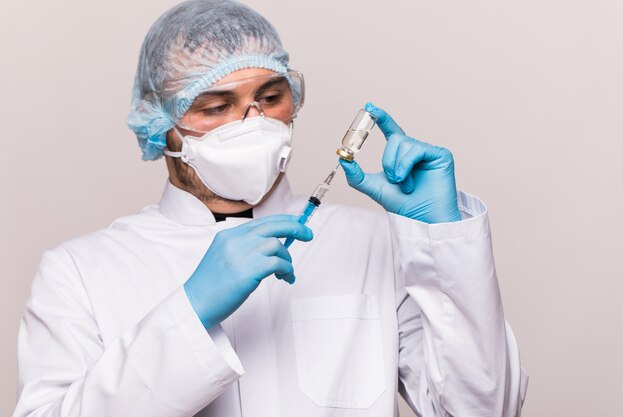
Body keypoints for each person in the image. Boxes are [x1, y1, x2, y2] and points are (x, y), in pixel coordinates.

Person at [12, 0, 528, 416]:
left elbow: (486, 409)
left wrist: (444, 244)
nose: (252, 122)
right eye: (216, 107)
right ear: (159, 124)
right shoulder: (81, 271)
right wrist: (186, 315)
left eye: (271, 96)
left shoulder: (371, 243)